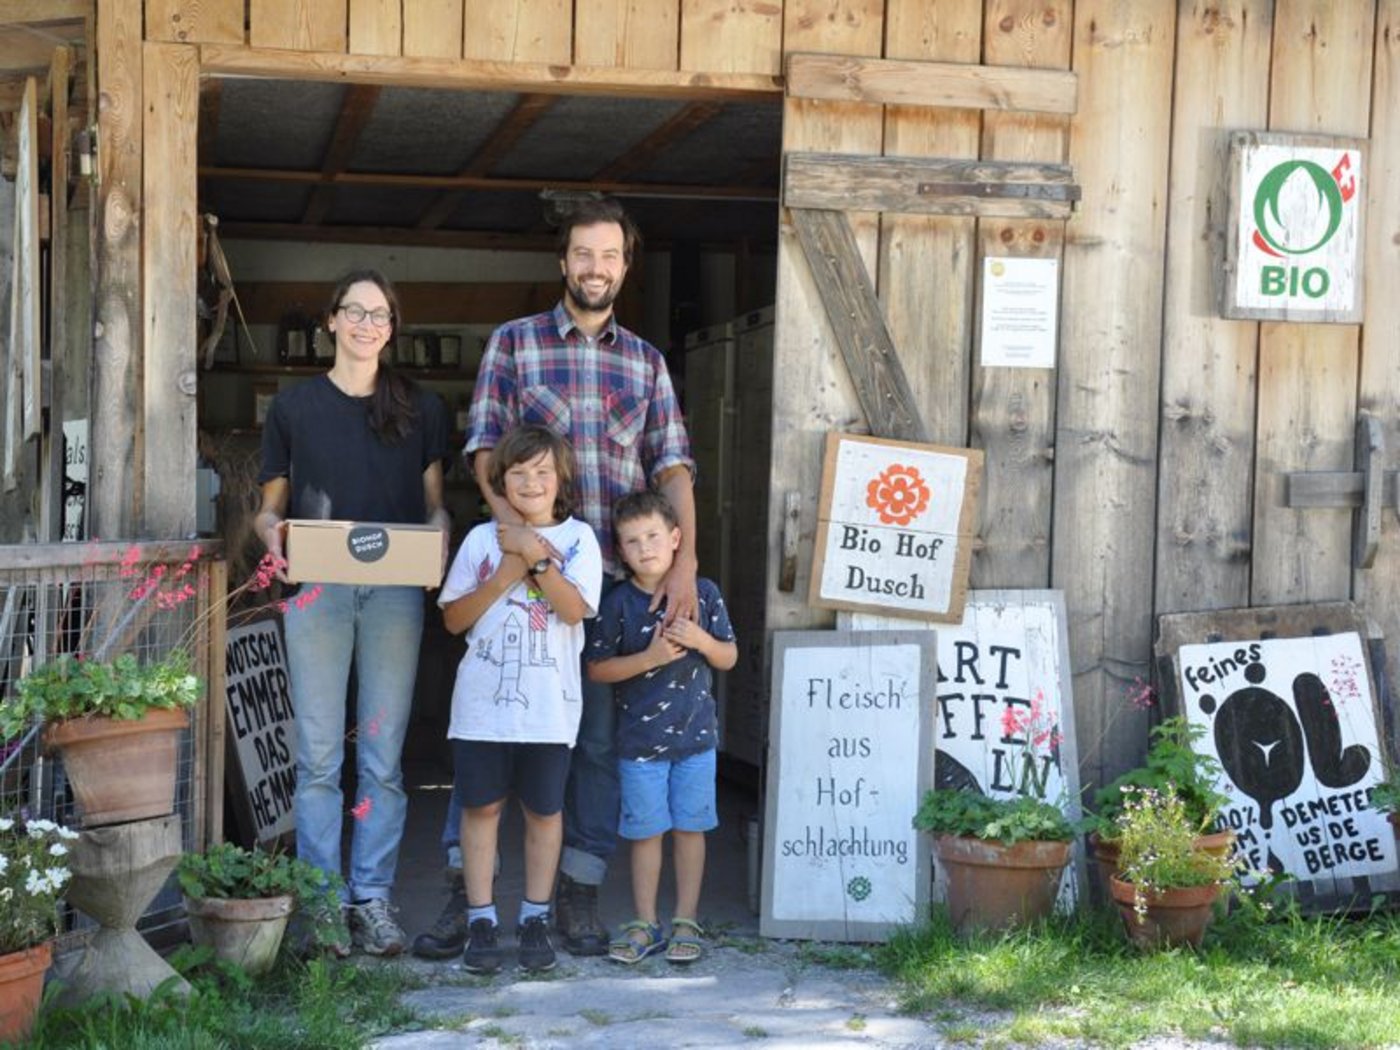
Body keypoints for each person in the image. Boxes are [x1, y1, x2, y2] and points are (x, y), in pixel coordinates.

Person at [415, 195, 697, 959]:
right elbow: (483, 451)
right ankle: (460, 898)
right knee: (485, 732)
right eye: (583, 254)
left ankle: (571, 895)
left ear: (625, 266)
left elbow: (671, 466)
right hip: (514, 578)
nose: (594, 268)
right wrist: (519, 542)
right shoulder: (514, 344)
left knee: (594, 747)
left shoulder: (646, 362)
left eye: (609, 256)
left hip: (605, 585)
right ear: (562, 261)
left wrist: (688, 563)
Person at [255, 268, 450, 957]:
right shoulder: (295, 408)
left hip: (395, 593)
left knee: (383, 759)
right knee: (315, 758)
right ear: (331, 322)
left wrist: (441, 540)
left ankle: (371, 898)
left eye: (381, 315)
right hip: (317, 593)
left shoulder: (420, 408)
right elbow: (270, 507)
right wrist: (269, 536)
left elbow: (433, 503)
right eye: (355, 311)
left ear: (391, 329)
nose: (368, 324)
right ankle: (321, 902)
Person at [438, 426, 602, 973]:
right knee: (480, 807)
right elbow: (454, 618)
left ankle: (534, 917)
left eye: (543, 473)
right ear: (502, 483)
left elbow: (574, 610)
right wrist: (507, 570)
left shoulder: (580, 539)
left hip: (550, 712)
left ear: (562, 481)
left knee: (544, 811)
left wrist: (533, 556)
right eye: (518, 473)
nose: (531, 482)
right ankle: (481, 919)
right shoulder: (481, 542)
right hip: (482, 709)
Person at [586, 491, 735, 964]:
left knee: (691, 829)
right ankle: (645, 922)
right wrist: (649, 658)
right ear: (620, 551)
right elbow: (597, 669)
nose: (645, 548)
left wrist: (702, 640)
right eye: (632, 541)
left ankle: (686, 920)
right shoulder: (619, 603)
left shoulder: (703, 594)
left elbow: (729, 657)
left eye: (653, 536)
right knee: (646, 833)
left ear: (676, 538)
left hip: (696, 741)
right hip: (639, 746)